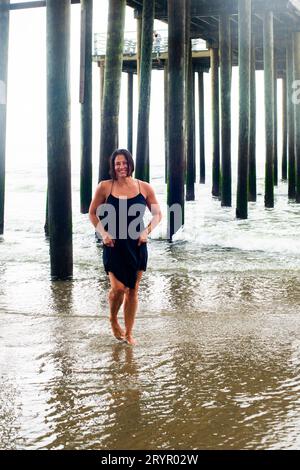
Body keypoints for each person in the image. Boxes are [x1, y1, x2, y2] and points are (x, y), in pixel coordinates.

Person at [89, 149, 162, 345]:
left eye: (125, 163)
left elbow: (157, 215)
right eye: (117, 163)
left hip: (137, 244)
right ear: (113, 166)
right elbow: (93, 214)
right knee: (118, 289)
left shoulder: (144, 187)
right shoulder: (105, 187)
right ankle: (113, 319)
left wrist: (147, 231)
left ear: (131, 164)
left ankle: (129, 333)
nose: (121, 167)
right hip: (113, 244)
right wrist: (103, 233)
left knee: (133, 290)